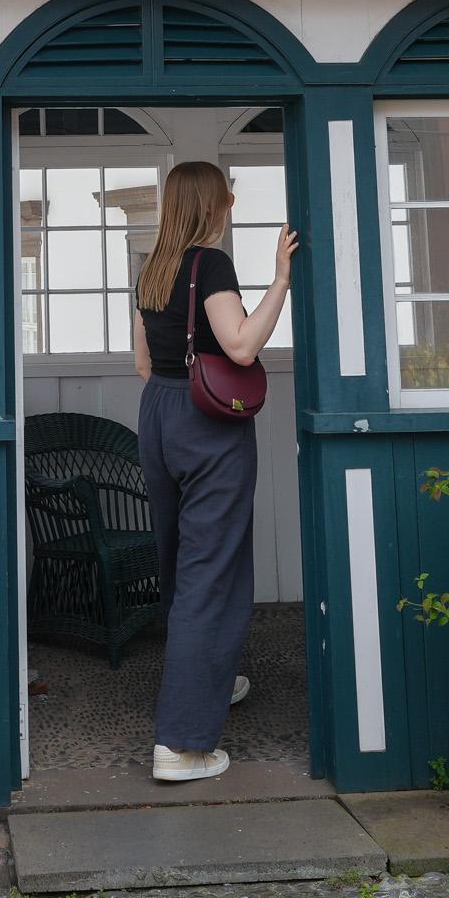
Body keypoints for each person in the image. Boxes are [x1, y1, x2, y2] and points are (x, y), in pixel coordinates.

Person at [129, 160, 298, 784]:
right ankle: (182, 743)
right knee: (213, 573)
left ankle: (208, 682)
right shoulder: (210, 264)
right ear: (212, 206)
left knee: (181, 562)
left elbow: (143, 364)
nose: (230, 205)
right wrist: (280, 282)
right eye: (227, 197)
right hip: (208, 424)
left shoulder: (152, 267)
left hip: (160, 415)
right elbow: (243, 346)